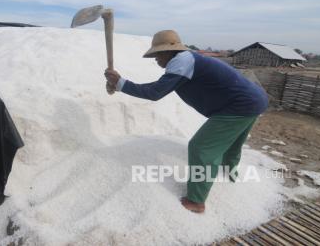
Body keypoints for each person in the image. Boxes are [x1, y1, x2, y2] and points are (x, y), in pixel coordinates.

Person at [104, 30, 268, 213]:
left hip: (239, 105)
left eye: (157, 55)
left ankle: (196, 201)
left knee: (201, 147)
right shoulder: (189, 59)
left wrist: (120, 83)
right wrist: (119, 84)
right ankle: (229, 173)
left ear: (167, 52)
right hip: (253, 100)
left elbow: (154, 92)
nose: (156, 60)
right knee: (231, 144)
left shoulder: (181, 62)